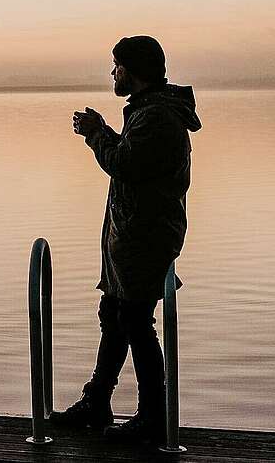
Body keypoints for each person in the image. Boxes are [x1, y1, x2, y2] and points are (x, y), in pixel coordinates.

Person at [51, 35, 202, 445]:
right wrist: (106, 133)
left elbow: (124, 164)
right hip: (131, 234)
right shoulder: (147, 112)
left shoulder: (157, 118)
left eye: (116, 65)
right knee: (115, 316)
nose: (111, 73)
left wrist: (98, 133)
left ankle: (153, 415)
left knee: (136, 322)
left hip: (147, 238)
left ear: (133, 71)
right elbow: (131, 164)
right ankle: (96, 400)